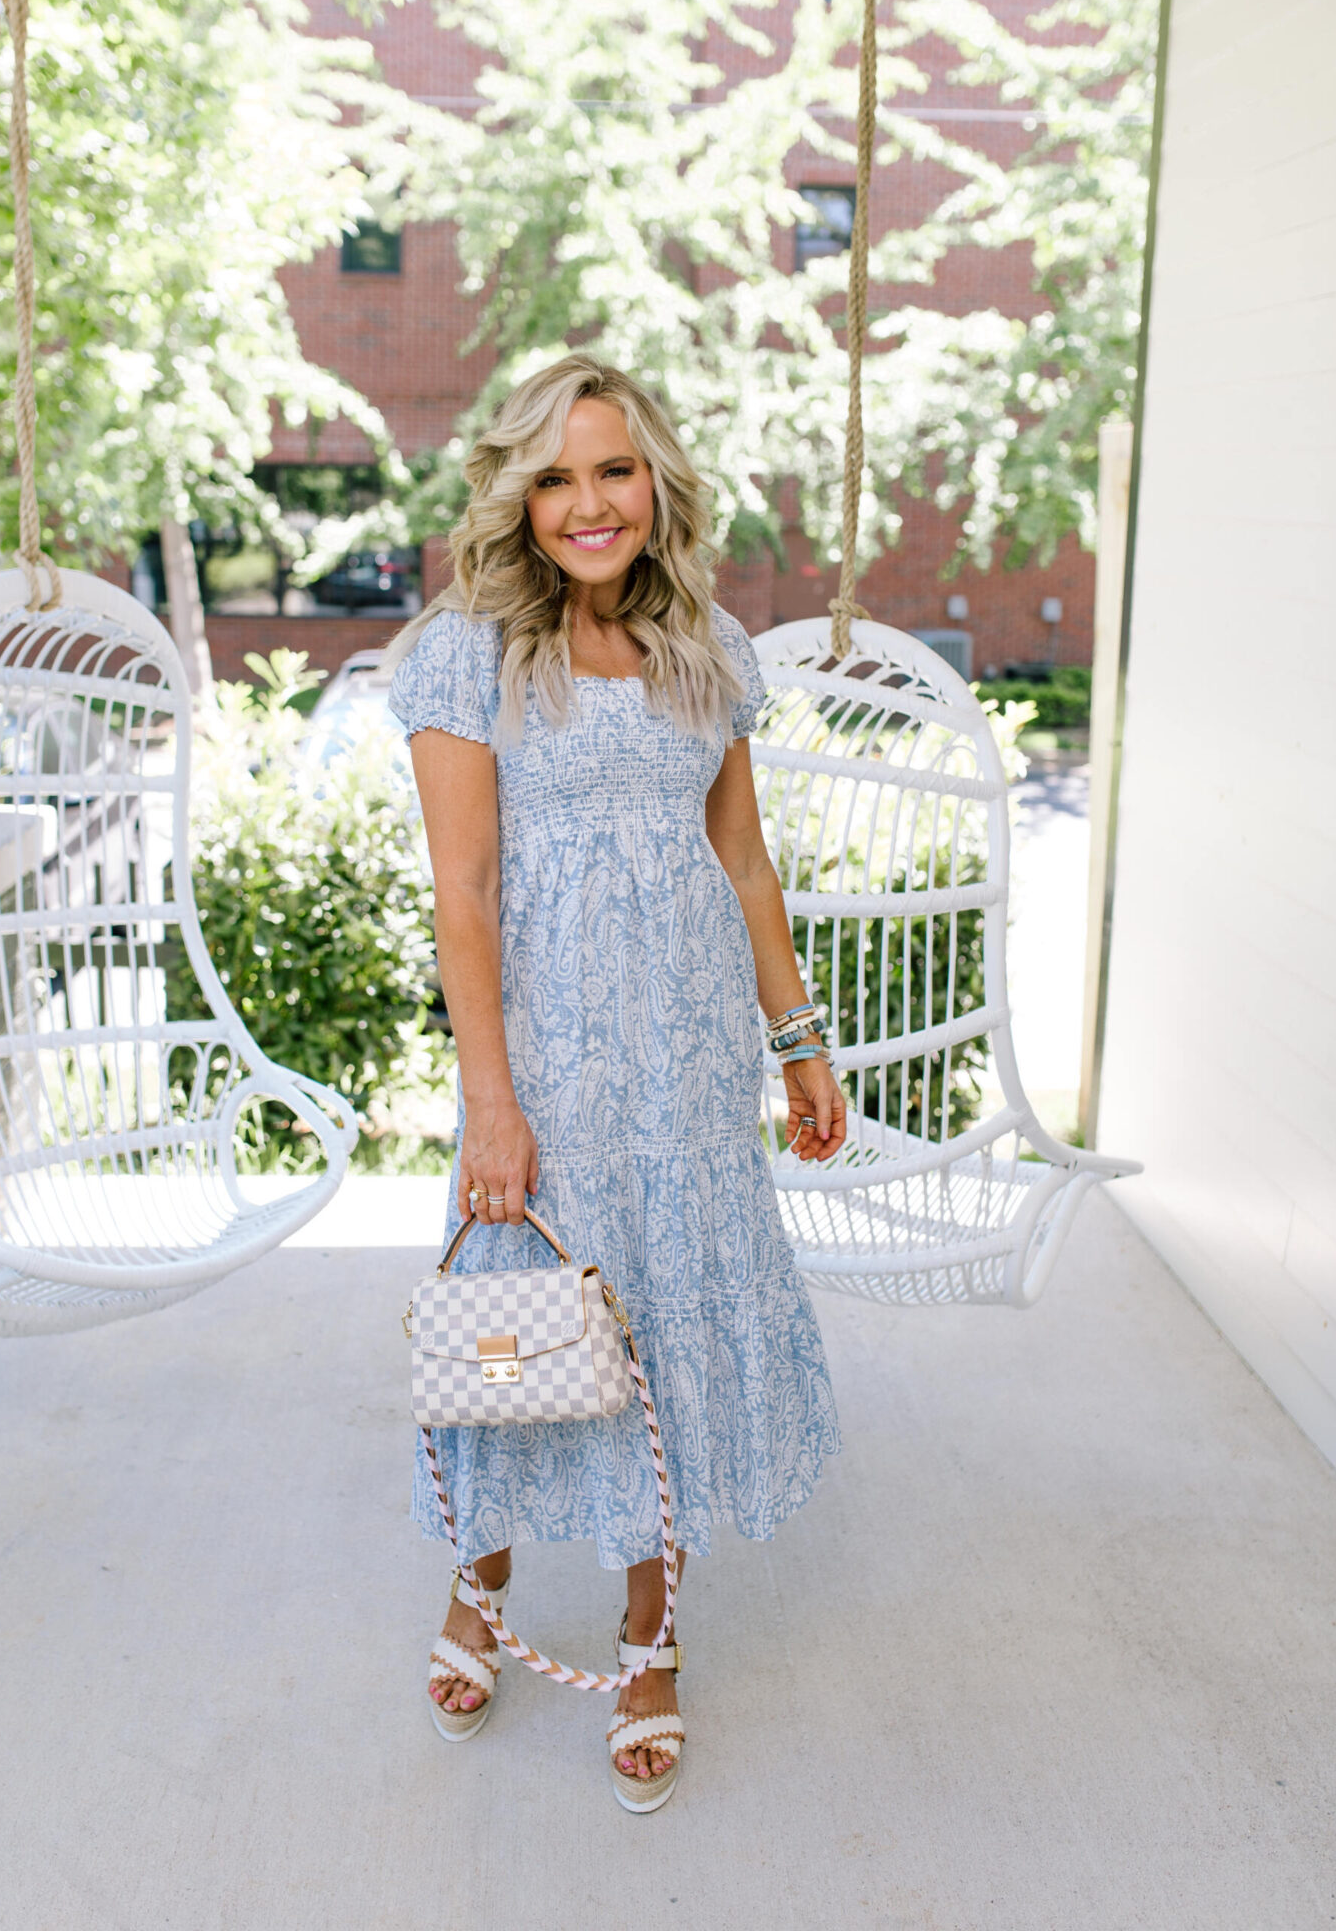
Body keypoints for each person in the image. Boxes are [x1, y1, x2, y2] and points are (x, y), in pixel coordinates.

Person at [386, 354, 845, 1814]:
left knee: (667, 1341)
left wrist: (798, 1040)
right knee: (522, 1333)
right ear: (520, 498)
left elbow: (747, 862)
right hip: (550, 1069)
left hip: (693, 1064)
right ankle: (484, 1583)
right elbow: (464, 890)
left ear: (658, 484)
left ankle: (652, 1639)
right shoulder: (468, 653)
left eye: (616, 470)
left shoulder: (705, 642)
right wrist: (494, 1104)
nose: (591, 504)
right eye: (559, 476)